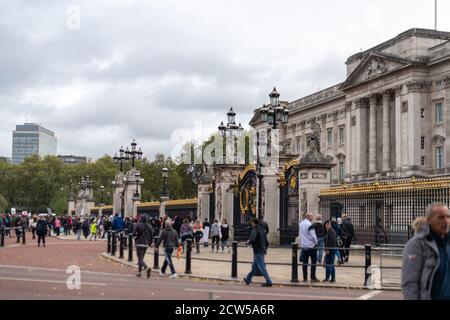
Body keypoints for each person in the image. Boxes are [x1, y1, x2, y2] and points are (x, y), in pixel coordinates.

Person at [402, 203, 450, 300]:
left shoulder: (448, 241)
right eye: (440, 217)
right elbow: (410, 284)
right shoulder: (416, 244)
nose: (446, 221)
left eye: (448, 216)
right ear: (429, 220)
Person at [243, 218, 272, 287]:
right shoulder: (262, 230)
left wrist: (248, 242)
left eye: (252, 223)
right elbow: (267, 242)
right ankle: (248, 278)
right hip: (262, 249)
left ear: (254, 223)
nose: (251, 224)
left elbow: (252, 239)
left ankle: (269, 281)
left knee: (261, 267)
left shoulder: (255, 230)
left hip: (257, 250)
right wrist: (265, 248)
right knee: (255, 266)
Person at [299, 213, 319, 282]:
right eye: (311, 216)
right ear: (308, 217)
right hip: (311, 246)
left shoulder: (301, 224)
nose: (312, 218)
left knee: (305, 263)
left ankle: (305, 278)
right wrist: (316, 242)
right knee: (313, 262)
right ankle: (312, 277)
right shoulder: (309, 225)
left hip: (304, 246)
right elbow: (313, 236)